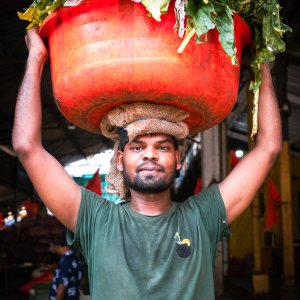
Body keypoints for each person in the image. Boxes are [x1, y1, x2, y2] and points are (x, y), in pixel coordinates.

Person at [12, 26, 282, 299]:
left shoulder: (202, 217)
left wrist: (262, 64)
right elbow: (27, 147)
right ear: (120, 159)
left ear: (178, 159)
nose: (150, 154)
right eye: (137, 147)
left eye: (162, 147)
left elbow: (268, 148)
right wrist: (35, 58)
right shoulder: (95, 220)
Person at [48, 234, 83, 300]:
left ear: (57, 245)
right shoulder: (74, 258)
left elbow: (62, 286)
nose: (52, 247)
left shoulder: (65, 262)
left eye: (52, 245)